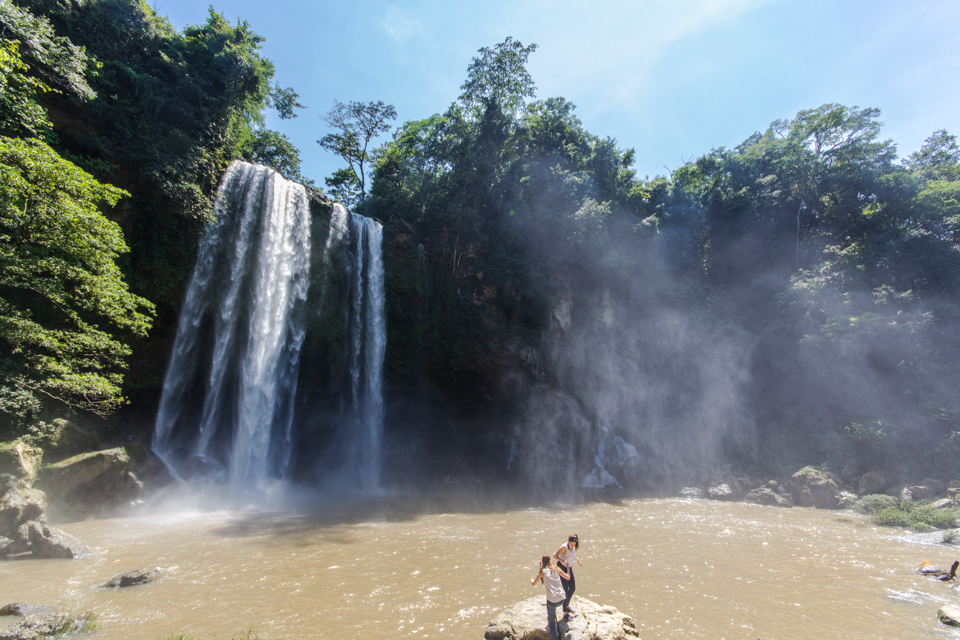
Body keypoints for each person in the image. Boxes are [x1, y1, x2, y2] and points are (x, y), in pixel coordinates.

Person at [531, 554, 570, 640]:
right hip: (562, 599)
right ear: (550, 561)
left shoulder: (542, 572)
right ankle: (552, 616)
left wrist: (531, 580)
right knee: (553, 602)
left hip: (552, 602)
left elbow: (534, 583)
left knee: (552, 623)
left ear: (542, 563)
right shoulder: (556, 569)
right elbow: (568, 577)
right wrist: (568, 568)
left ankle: (551, 623)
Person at [554, 533, 582, 620]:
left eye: (574, 544)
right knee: (565, 589)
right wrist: (563, 561)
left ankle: (566, 606)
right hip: (562, 568)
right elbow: (555, 556)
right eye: (571, 544)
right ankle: (565, 613)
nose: (573, 545)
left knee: (572, 588)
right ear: (568, 541)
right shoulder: (563, 547)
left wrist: (578, 560)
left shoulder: (573, 547)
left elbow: (572, 554)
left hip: (569, 568)